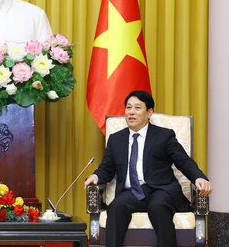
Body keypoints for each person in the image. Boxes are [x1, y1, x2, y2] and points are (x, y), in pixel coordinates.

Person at [84, 90, 212, 247]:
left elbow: (183, 161)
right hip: (132, 193)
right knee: (116, 207)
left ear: (149, 112)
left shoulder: (164, 136)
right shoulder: (116, 139)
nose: (131, 112)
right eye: (128, 107)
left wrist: (199, 177)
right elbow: (106, 168)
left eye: (137, 108)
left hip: (161, 190)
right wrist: (96, 177)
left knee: (157, 207)